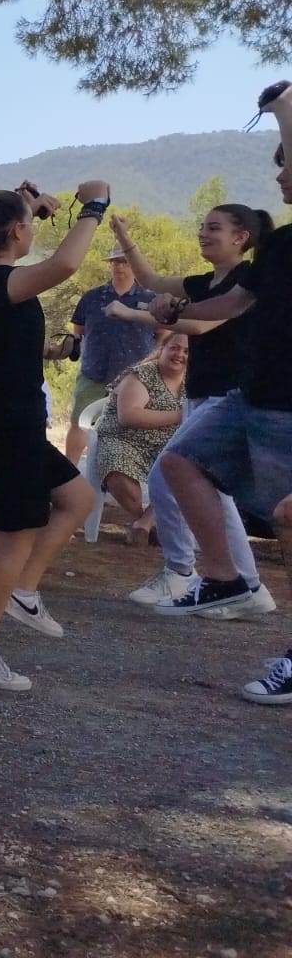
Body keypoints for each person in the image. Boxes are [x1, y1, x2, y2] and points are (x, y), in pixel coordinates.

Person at [147, 79, 292, 665]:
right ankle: (228, 579)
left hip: (287, 403)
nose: (280, 178)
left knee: (287, 516)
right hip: (250, 395)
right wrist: (174, 311)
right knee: (179, 462)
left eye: (287, 167)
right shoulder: (280, 248)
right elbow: (230, 306)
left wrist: (283, 109)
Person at [0, 179, 108, 693]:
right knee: (11, 537)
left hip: (3, 420)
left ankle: (23, 592)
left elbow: (0, 349)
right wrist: (94, 206)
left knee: (76, 497)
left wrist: (29, 207)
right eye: (30, 224)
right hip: (2, 424)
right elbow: (64, 265)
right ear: (18, 232)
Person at [106, 206, 275, 613]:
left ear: (241, 237)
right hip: (205, 396)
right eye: (201, 226)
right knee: (198, 487)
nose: (202, 233)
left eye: (213, 227)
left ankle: (199, 575)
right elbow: (150, 280)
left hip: (229, 399)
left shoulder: (243, 281)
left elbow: (200, 325)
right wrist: (125, 237)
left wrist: (138, 312)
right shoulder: (202, 282)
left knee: (177, 474)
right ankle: (244, 587)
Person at [92, 333, 188, 545]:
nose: (179, 354)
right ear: (162, 348)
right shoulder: (142, 374)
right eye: (174, 347)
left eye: (186, 351)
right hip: (124, 439)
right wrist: (181, 415)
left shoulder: (194, 382)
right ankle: (143, 520)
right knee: (117, 465)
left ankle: (145, 523)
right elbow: (129, 416)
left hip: (167, 444)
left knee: (190, 464)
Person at [64, 247, 153, 464]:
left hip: (135, 376)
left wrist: (150, 364)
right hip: (94, 372)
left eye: (124, 261)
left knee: (133, 427)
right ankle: (69, 472)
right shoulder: (92, 297)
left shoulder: (150, 298)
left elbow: (164, 334)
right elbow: (78, 329)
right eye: (115, 262)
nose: (120, 266)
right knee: (79, 422)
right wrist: (85, 353)